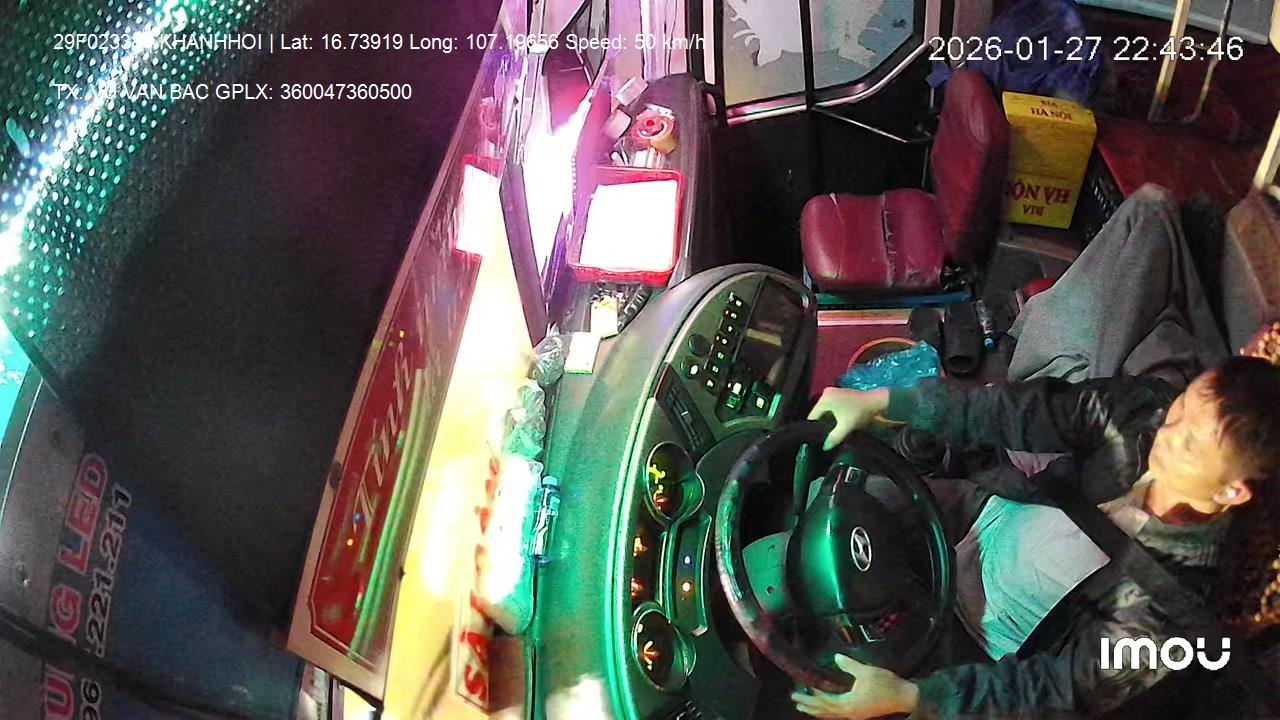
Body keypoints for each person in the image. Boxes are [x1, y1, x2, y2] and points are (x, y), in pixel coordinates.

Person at [790, 186, 1280, 719]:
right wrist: (889, 402)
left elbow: (1058, 691)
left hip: (982, 644)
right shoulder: (1150, 416)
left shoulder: (1170, 617)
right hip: (986, 514)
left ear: (1232, 491)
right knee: (834, 499)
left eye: (1188, 442)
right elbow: (1034, 411)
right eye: (1182, 409)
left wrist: (917, 697)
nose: (1168, 431)